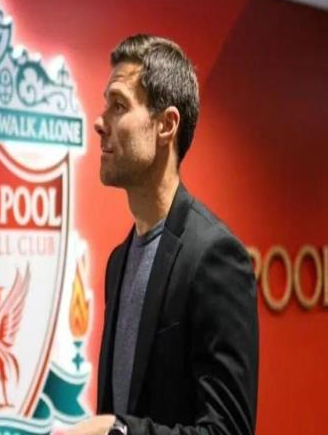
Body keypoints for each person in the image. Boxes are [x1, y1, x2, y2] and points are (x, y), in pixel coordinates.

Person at [67, 35, 258, 435]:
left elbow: (228, 431)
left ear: (166, 125)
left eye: (119, 105)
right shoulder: (119, 261)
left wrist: (119, 431)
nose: (100, 122)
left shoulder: (214, 257)